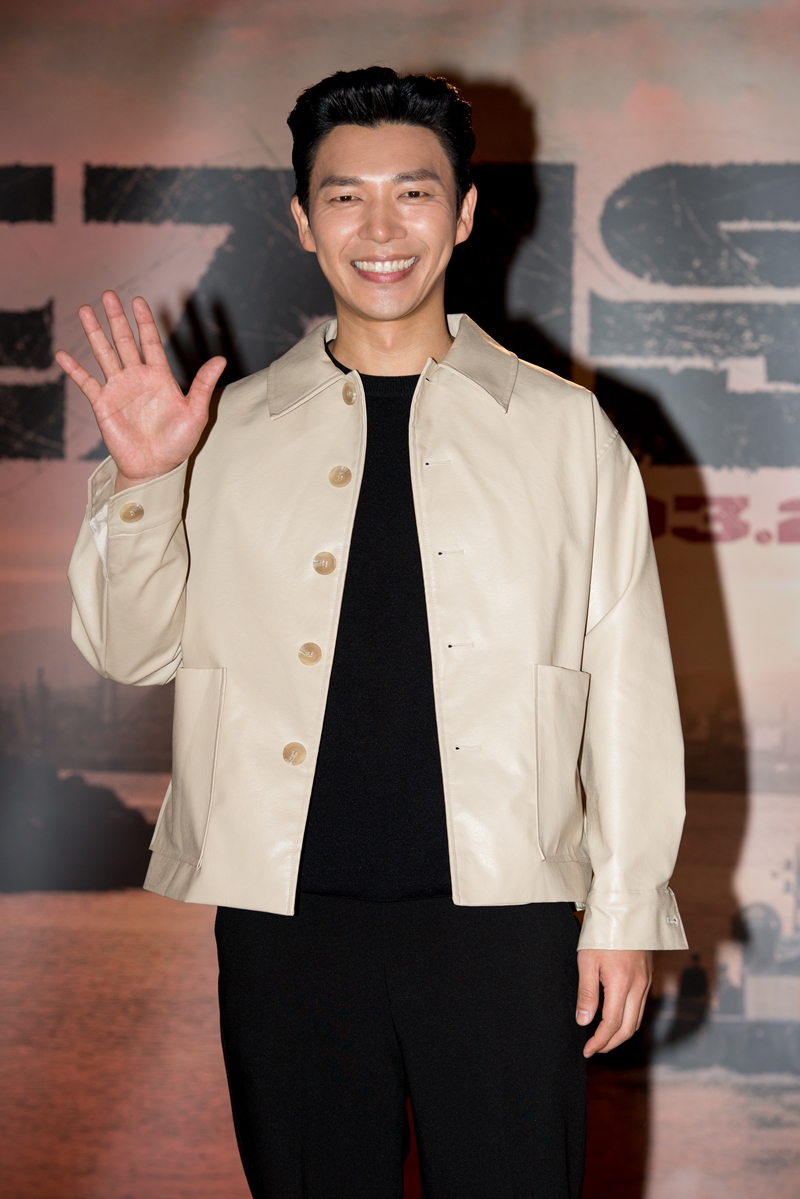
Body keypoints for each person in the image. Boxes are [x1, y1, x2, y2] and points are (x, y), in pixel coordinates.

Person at [59, 66, 687, 1199]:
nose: (381, 229)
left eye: (414, 192)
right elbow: (127, 647)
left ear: (466, 212)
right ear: (303, 221)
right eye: (345, 197)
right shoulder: (224, 431)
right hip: (288, 926)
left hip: (506, 920)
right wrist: (145, 482)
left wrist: (625, 907)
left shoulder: (563, 429)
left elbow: (627, 683)